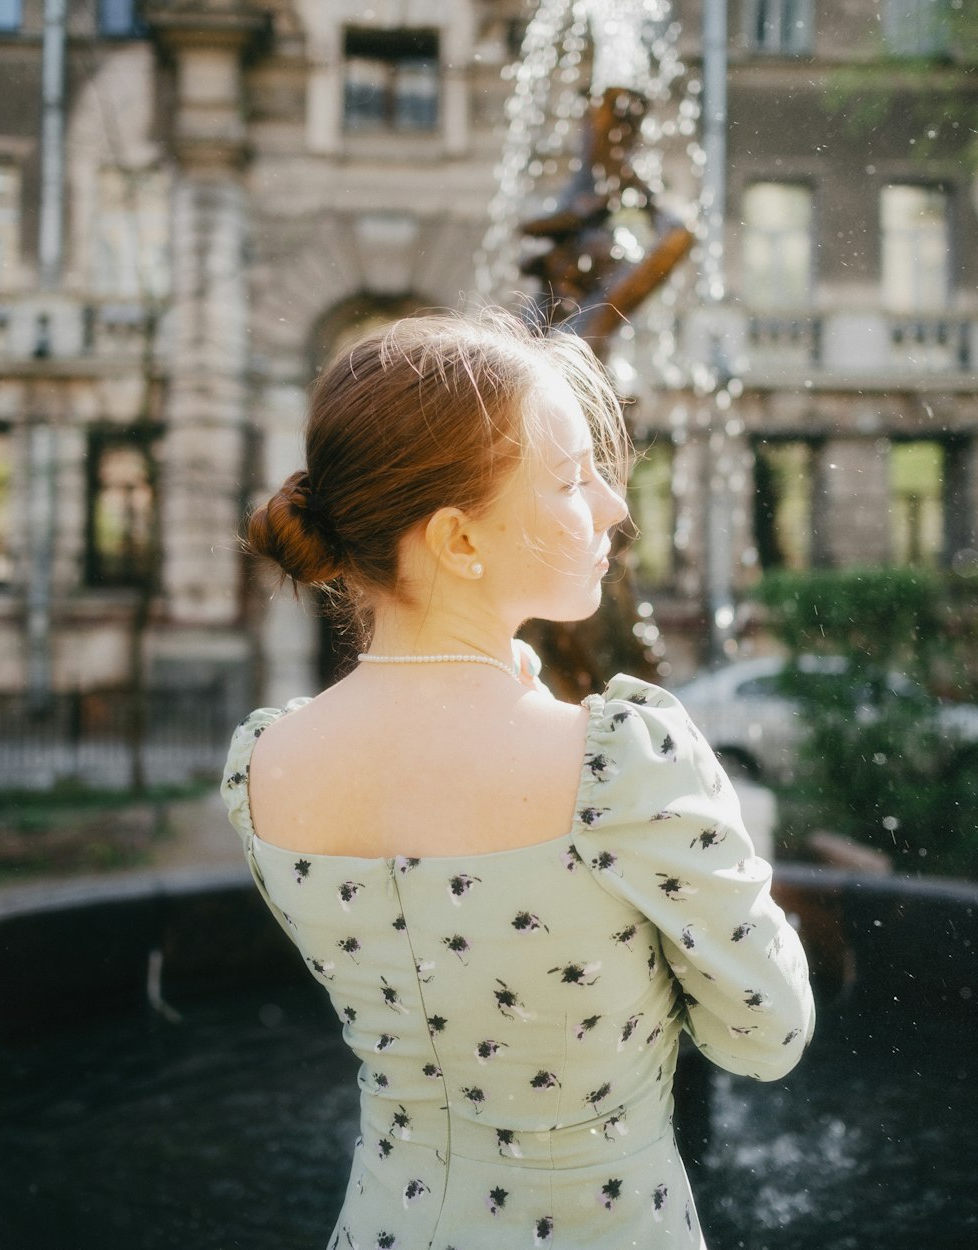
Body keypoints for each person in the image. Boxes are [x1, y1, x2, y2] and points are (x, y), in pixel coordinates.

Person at [221, 310, 815, 1250]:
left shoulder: (265, 762)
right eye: (574, 478)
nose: (614, 507)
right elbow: (767, 1034)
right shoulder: (622, 759)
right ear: (459, 541)